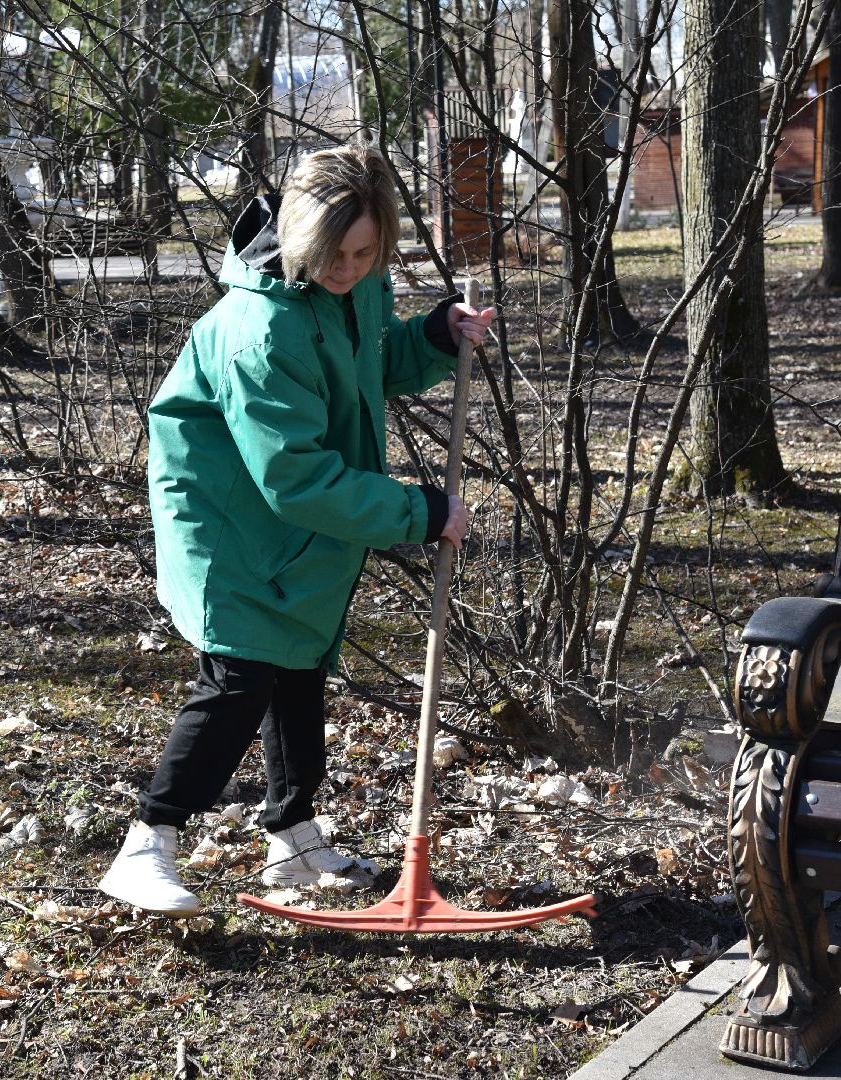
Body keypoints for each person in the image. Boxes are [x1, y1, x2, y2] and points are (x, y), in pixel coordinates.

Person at [97, 143, 497, 915]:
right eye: (336, 254)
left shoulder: (351, 287)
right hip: (228, 519)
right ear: (300, 235)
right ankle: (145, 845)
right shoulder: (260, 329)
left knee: (300, 666)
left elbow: (366, 364)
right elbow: (295, 476)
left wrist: (434, 337)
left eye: (366, 254)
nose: (350, 268)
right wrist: (417, 512)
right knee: (240, 679)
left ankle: (293, 836)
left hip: (296, 521)